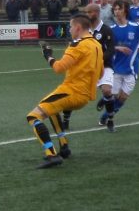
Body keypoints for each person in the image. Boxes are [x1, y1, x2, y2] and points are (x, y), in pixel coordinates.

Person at [28, 14, 103, 169]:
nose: (69, 30)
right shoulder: (97, 45)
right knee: (52, 110)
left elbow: (59, 68)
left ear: (78, 28)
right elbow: (101, 73)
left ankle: (51, 154)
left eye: (70, 26)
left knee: (33, 116)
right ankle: (64, 146)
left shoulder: (77, 45)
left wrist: (48, 55)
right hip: (84, 96)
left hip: (71, 91)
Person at [98, 0, 139, 129]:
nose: (117, 11)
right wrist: (118, 48)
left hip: (131, 70)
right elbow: (104, 48)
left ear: (125, 10)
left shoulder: (135, 27)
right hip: (115, 69)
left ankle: (105, 116)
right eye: (115, 9)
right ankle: (105, 102)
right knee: (112, 96)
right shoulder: (111, 30)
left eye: (119, 9)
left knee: (122, 98)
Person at [62, 3, 114, 131]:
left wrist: (97, 59)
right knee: (72, 92)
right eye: (85, 12)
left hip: (104, 66)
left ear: (97, 13)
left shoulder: (106, 30)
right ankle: (65, 120)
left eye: (89, 12)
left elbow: (111, 50)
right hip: (87, 68)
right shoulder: (84, 31)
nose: (86, 15)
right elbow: (75, 46)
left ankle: (110, 121)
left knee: (107, 91)